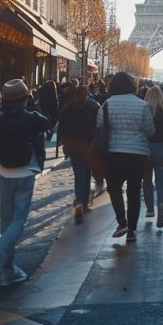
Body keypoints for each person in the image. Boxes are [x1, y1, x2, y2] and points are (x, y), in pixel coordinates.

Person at [0, 79, 51, 294]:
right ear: (25, 98)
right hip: (26, 171)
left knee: (7, 221)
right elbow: (47, 123)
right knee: (19, 221)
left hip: (4, 171)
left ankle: (8, 270)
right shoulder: (30, 118)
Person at [98, 72, 155, 243]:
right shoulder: (142, 104)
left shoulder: (107, 104)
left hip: (114, 152)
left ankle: (121, 222)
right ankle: (132, 229)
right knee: (134, 191)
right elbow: (150, 131)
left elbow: (99, 125)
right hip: (137, 154)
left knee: (114, 188)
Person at [57, 85, 100, 223]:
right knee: (86, 174)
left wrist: (63, 145)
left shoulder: (66, 109)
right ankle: (83, 203)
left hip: (73, 145)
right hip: (88, 145)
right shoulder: (93, 107)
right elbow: (99, 126)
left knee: (78, 174)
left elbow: (61, 128)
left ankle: (79, 201)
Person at [141, 86, 163, 227]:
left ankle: (149, 209)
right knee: (161, 182)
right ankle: (161, 204)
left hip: (145, 150)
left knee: (146, 181)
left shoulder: (144, 113)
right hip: (161, 150)